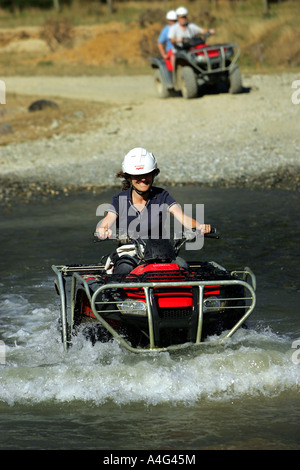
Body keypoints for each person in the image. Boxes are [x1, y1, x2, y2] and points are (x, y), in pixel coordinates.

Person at [95, 147, 211, 274]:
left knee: (181, 267)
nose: (143, 179)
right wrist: (102, 230)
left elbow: (183, 218)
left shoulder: (162, 195)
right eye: (137, 175)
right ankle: (119, 294)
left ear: (153, 174)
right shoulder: (119, 199)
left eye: (147, 174)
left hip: (161, 253)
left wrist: (200, 227)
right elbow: (107, 220)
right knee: (124, 269)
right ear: (129, 177)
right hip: (130, 254)